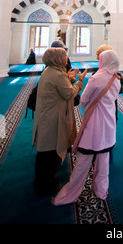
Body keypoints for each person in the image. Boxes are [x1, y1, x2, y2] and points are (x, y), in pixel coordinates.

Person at [52, 50, 121, 205]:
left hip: (94, 125)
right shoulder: (117, 79)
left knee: (83, 162)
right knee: (103, 161)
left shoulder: (96, 78)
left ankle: (71, 193)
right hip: (109, 125)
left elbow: (83, 100)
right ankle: (101, 191)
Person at [32, 47, 87, 197]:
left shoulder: (50, 71)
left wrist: (68, 79)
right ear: (57, 58)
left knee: (45, 152)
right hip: (53, 119)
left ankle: (43, 181)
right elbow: (69, 93)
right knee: (50, 153)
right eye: (64, 56)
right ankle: (46, 184)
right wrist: (80, 82)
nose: (66, 58)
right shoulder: (57, 74)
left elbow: (61, 88)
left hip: (48, 116)